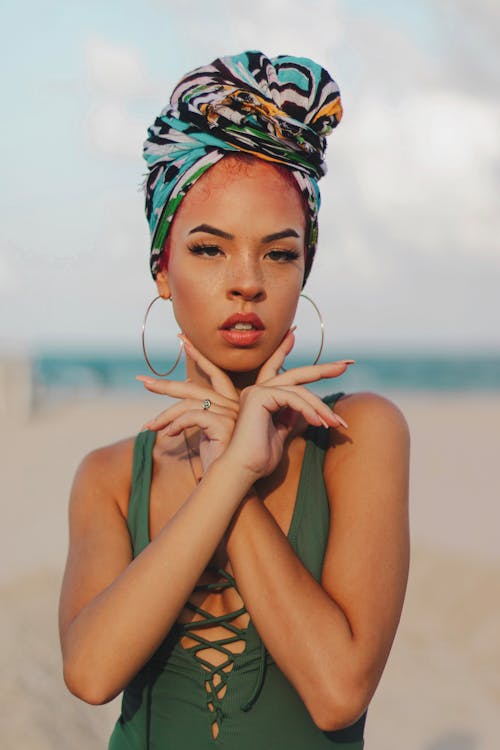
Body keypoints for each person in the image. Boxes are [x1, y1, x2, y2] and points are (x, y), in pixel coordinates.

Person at [59, 51, 410, 749]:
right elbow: (92, 673)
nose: (246, 282)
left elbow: (339, 692)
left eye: (278, 254)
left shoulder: (356, 435)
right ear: (163, 266)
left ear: (305, 265)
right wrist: (228, 475)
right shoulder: (107, 477)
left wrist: (239, 473)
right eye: (210, 250)